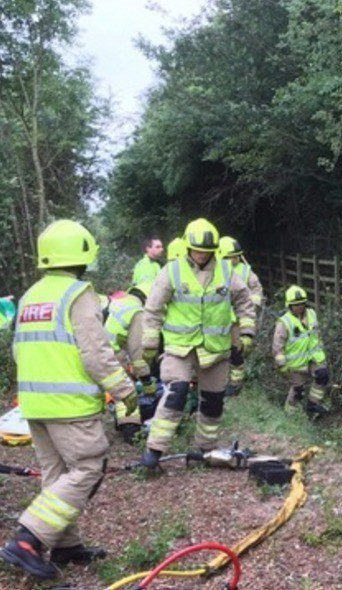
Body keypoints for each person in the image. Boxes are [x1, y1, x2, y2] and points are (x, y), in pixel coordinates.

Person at [1, 220, 137, 580]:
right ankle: (27, 539)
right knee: (88, 468)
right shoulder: (78, 295)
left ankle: (65, 545)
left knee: (57, 474)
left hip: (34, 404)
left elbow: (18, 350)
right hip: (70, 406)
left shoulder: (30, 296)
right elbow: (95, 354)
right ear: (82, 256)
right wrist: (125, 390)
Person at [139, 218, 256, 469]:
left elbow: (245, 302)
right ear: (188, 247)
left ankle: (206, 448)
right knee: (176, 394)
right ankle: (154, 450)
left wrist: (247, 332)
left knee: (213, 400)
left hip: (215, 348)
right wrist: (150, 341)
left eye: (207, 251)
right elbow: (153, 308)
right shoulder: (172, 271)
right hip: (180, 348)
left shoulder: (226, 271)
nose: (202, 255)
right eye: (197, 250)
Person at [105, 282, 156, 443]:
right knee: (125, 390)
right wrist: (146, 380)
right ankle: (130, 430)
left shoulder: (118, 303)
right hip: (112, 353)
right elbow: (137, 352)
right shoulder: (137, 312)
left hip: (96, 352)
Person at [272, 286, 330, 417]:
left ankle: (312, 405)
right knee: (298, 390)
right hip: (296, 363)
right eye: (296, 305)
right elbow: (277, 346)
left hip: (314, 357)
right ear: (289, 305)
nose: (299, 307)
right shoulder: (284, 322)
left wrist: (321, 348)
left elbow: (317, 334)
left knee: (323, 375)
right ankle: (289, 414)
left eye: (302, 304)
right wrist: (282, 365)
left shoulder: (312, 314)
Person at [218, 236, 264, 396]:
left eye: (237, 255)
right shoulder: (217, 270)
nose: (236, 258)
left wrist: (252, 304)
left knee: (237, 351)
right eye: (232, 255)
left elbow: (256, 288)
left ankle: (235, 384)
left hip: (238, 320)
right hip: (220, 318)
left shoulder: (245, 271)